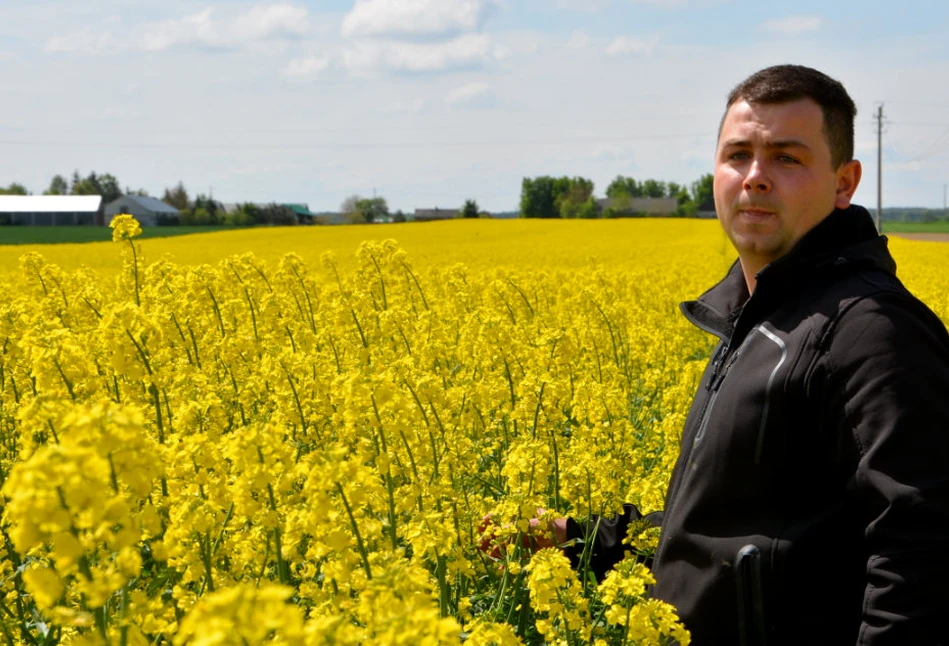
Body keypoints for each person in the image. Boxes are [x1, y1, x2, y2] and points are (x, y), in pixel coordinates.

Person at [491, 65, 949, 645]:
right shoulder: (762, 320)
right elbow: (723, 526)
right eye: (738, 155)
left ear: (844, 182)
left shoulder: (872, 330)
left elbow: (923, 553)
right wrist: (579, 538)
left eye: (787, 158)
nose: (755, 177)